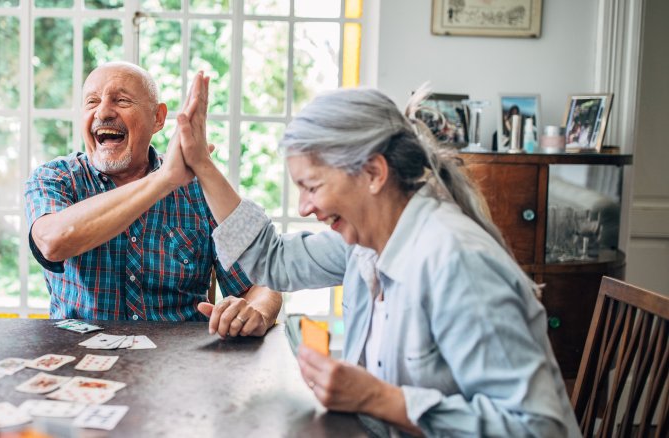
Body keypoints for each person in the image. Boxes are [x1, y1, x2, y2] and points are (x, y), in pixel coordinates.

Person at [171, 82, 581, 436]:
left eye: (312, 186)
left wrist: (376, 397)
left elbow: (537, 428)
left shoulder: (457, 263)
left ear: (373, 173)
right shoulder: (366, 242)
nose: (304, 207)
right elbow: (273, 259)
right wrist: (203, 166)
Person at [24, 62, 281, 337]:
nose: (103, 111)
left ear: (158, 118)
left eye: (121, 100)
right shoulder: (55, 178)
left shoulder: (201, 191)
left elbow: (262, 282)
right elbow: (52, 242)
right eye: (92, 102)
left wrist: (257, 312)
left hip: (178, 364)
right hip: (77, 360)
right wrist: (164, 180)